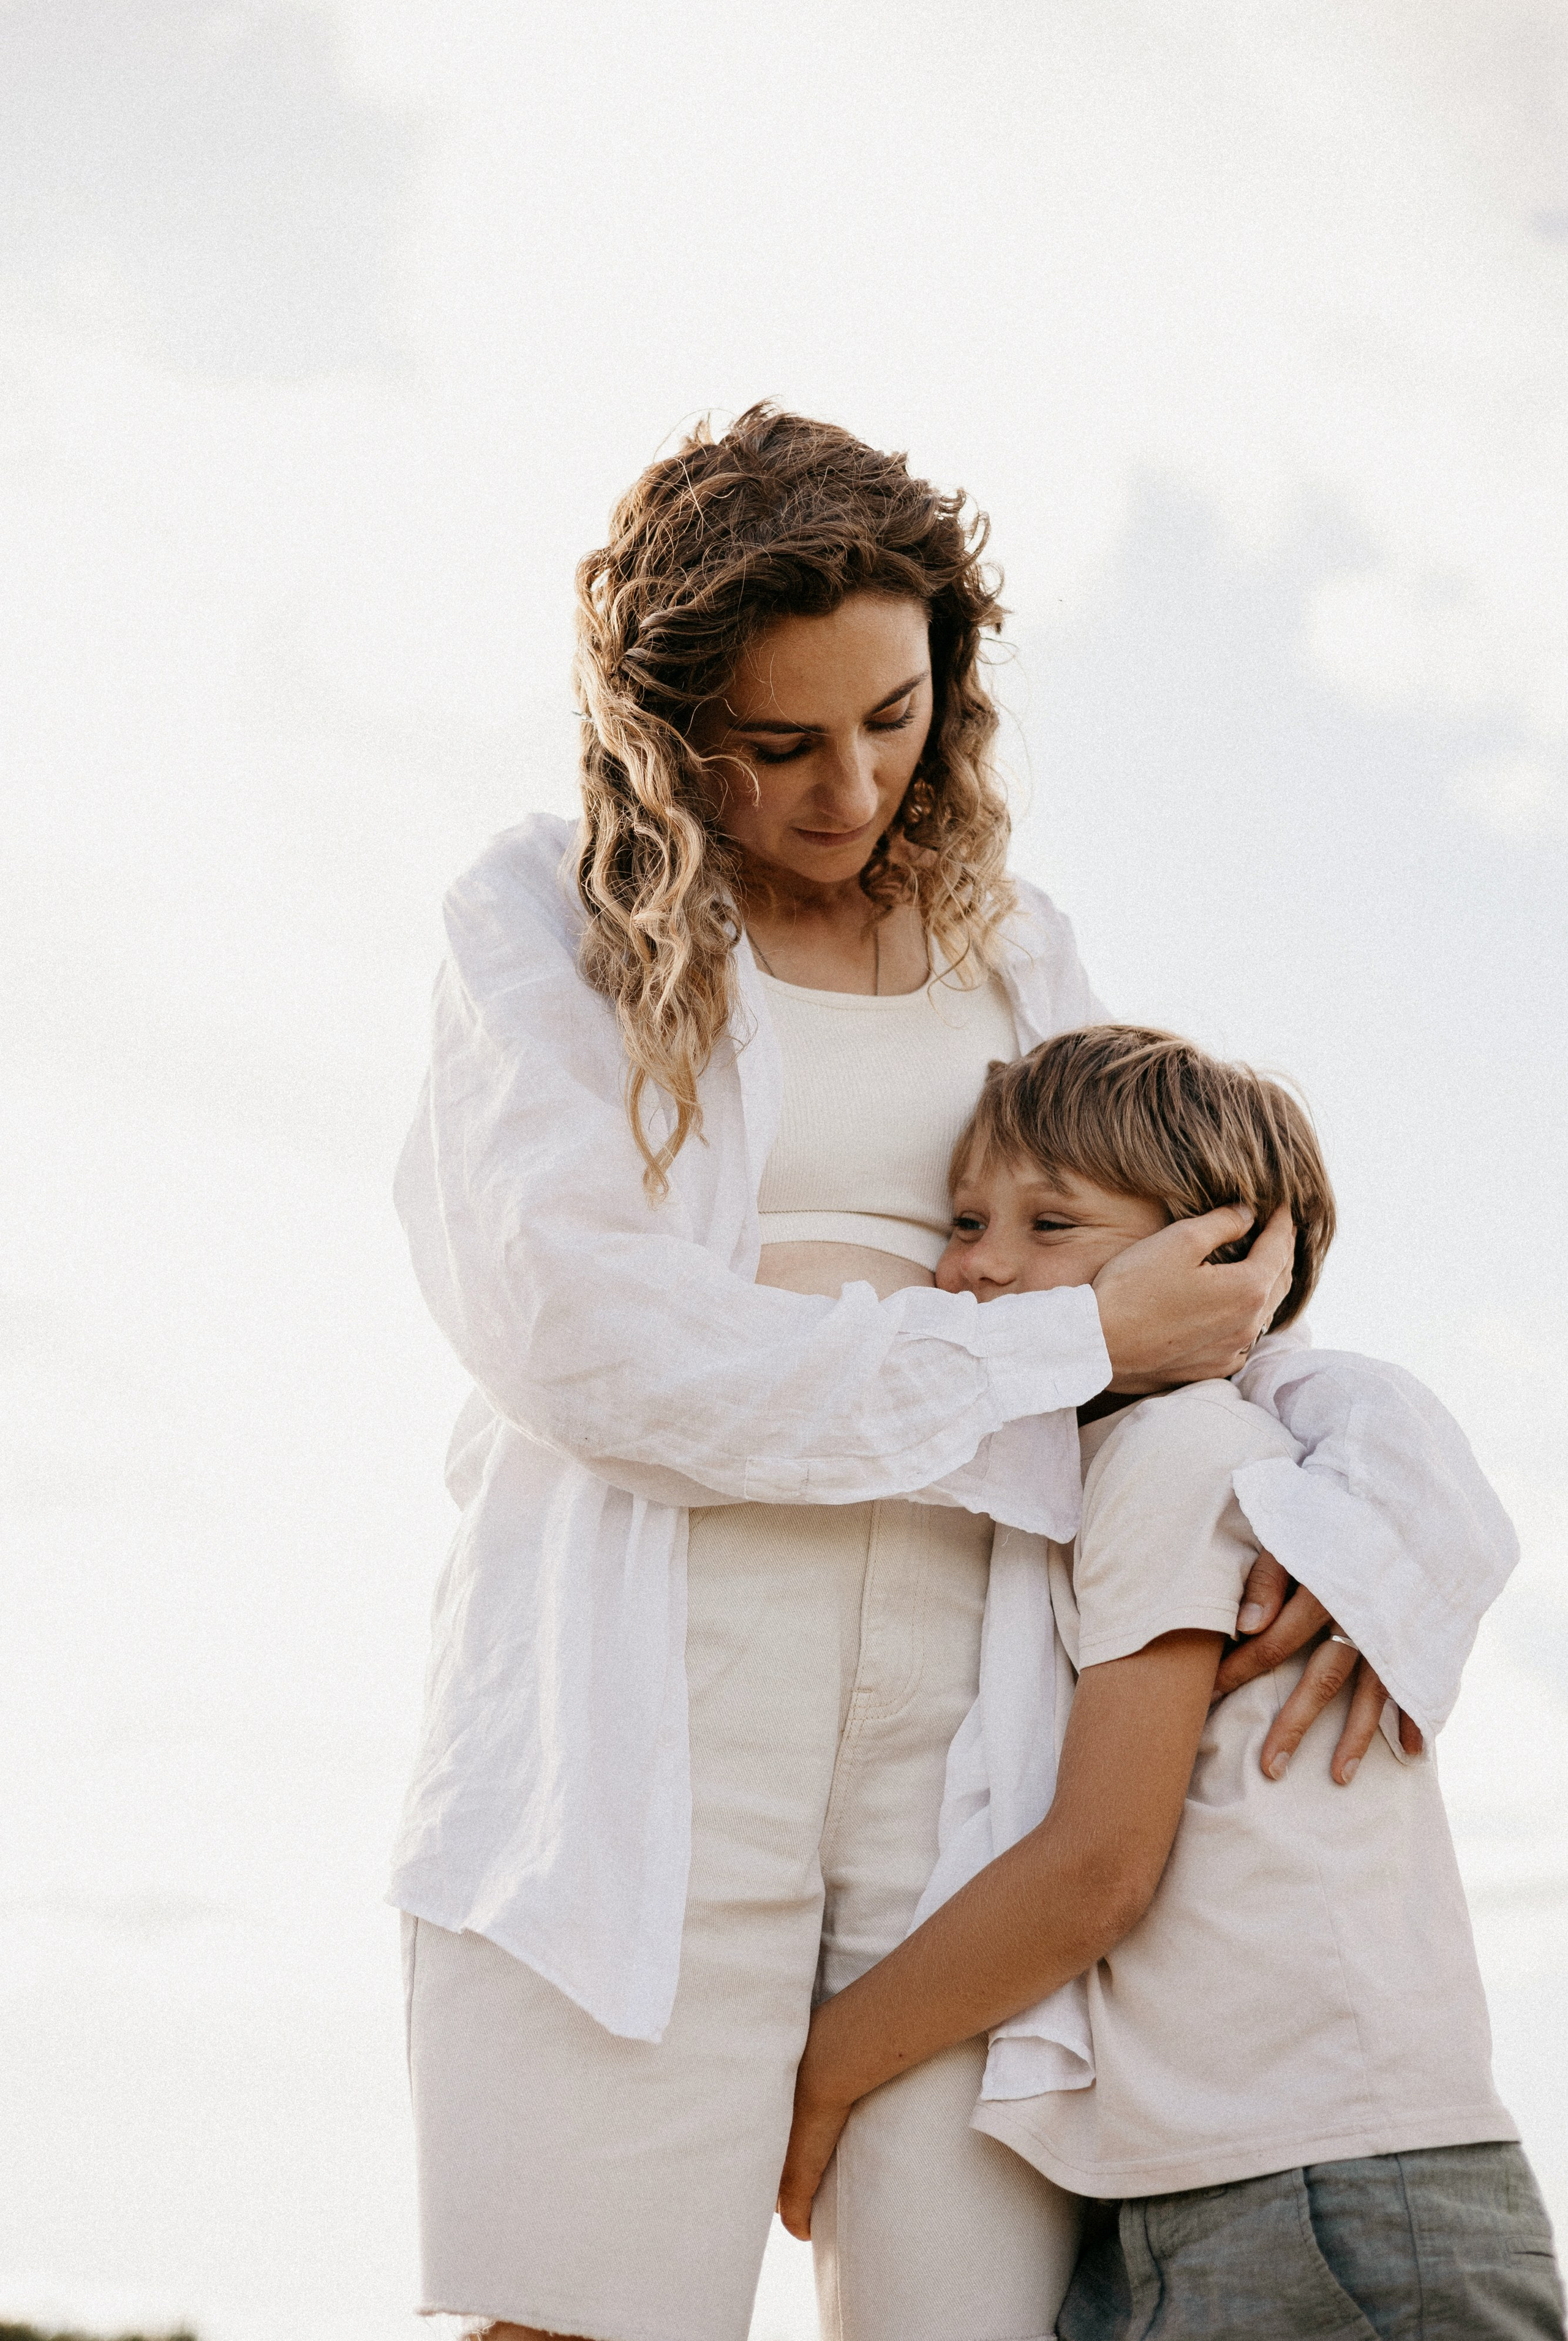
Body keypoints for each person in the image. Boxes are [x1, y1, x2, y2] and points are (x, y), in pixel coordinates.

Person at [391, 405, 1514, 2341]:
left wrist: (1389, 1512)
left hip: (969, 1790)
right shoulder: (540, 923)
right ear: (666, 731)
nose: (849, 789)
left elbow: (1217, 1289)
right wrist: (1067, 1338)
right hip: (640, 1753)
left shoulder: (1015, 946)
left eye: (894, 718)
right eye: (780, 743)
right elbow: (596, 1343)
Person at [778, 1026, 1562, 2340]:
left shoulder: (1171, 1452)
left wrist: (823, 2070)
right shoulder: (1181, 1464)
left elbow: (1099, 1866)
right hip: (1219, 2186)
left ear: (1222, 1259)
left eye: (1051, 1223)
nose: (975, 1264)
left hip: (1320, 2198)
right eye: (966, 1218)